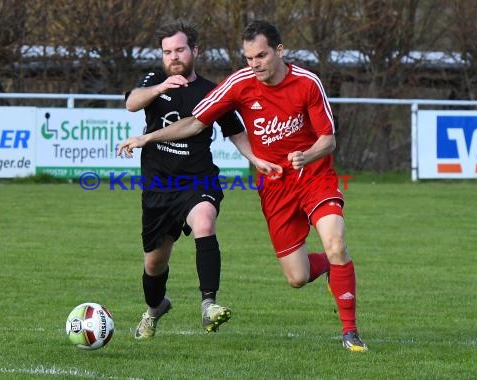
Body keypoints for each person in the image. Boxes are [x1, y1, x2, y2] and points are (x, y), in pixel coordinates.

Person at [118, 20, 368, 351]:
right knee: (297, 277)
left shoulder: (307, 82)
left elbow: (328, 140)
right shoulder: (238, 84)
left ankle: (350, 332)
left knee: (336, 242)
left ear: (279, 51)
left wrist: (306, 155)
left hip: (313, 176)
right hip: (273, 186)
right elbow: (194, 122)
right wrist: (147, 137)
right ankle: (327, 268)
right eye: (249, 58)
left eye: (261, 56)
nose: (255, 64)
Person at [122, 21, 260, 339]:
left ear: (195, 51)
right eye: (167, 51)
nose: (174, 56)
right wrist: (159, 88)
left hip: (198, 181)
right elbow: (131, 103)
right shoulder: (154, 81)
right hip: (158, 187)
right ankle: (155, 308)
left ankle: (208, 305)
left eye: (180, 50)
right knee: (154, 265)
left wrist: (256, 160)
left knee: (204, 221)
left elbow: (236, 131)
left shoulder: (212, 92)